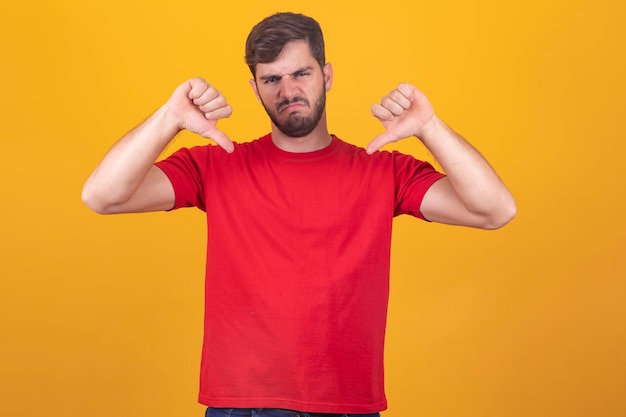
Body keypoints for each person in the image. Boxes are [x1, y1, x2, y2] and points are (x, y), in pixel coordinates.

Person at [82, 12, 516, 417]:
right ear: (254, 88)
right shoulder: (218, 164)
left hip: (349, 405)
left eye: (301, 73)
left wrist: (430, 128)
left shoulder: (381, 169)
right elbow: (103, 196)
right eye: (271, 79)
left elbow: (495, 210)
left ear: (326, 74)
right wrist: (169, 119)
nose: (288, 91)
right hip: (241, 404)